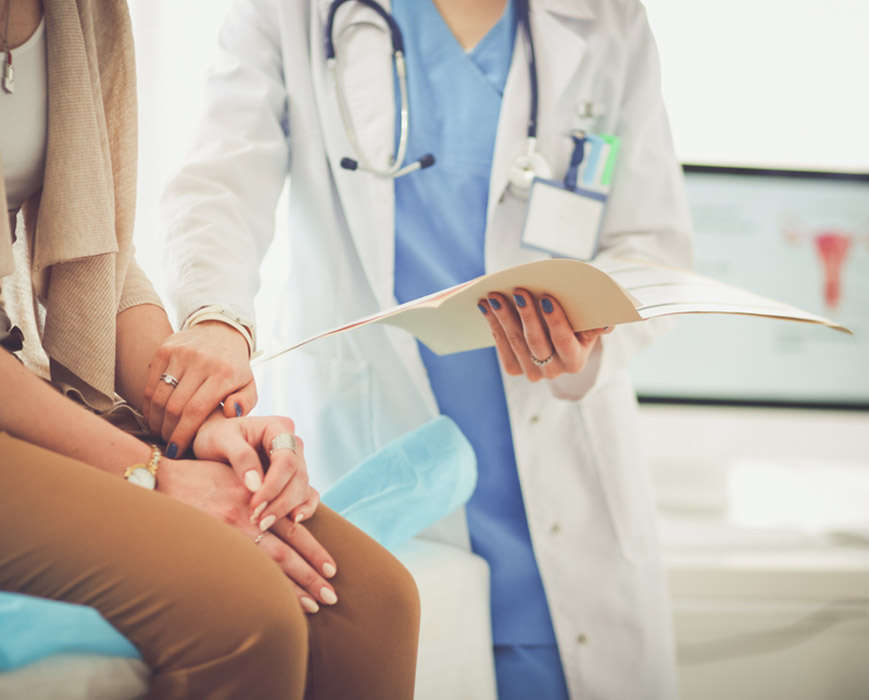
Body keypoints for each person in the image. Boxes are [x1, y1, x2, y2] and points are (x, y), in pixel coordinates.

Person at [158, 0, 693, 698]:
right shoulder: (293, 11)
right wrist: (216, 316)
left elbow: (653, 243)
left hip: (560, 485)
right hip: (379, 456)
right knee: (405, 648)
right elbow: (220, 182)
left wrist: (592, 328)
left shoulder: (605, 18)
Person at [0, 1, 420, 699]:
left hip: (12, 380)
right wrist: (152, 471)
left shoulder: (86, 13)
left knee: (374, 605)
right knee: (244, 611)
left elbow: (101, 263)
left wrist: (199, 422)